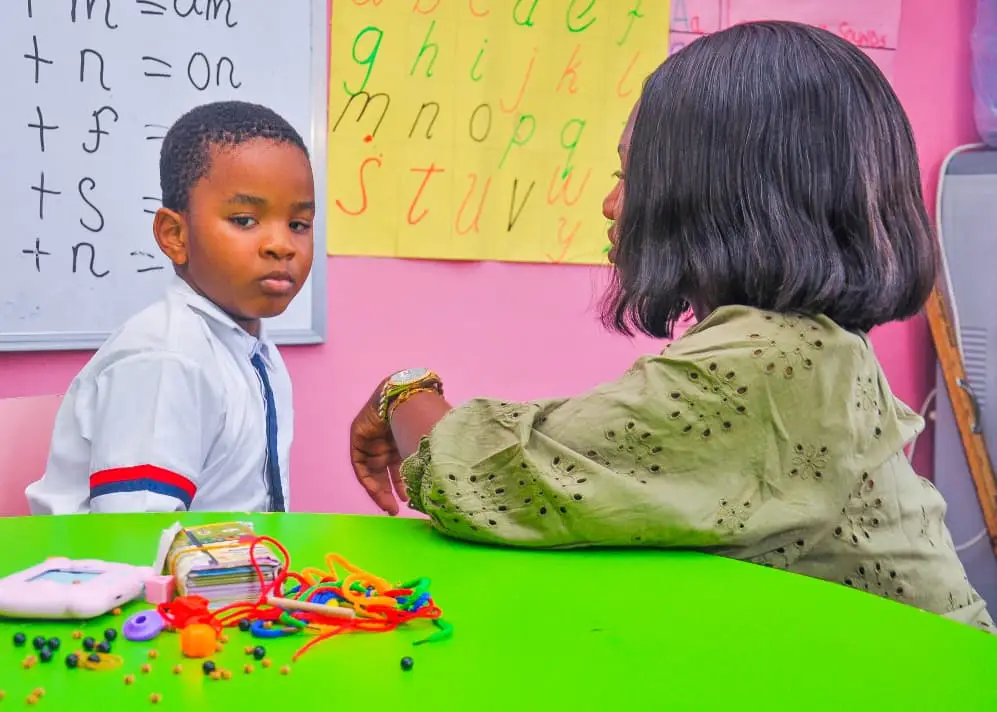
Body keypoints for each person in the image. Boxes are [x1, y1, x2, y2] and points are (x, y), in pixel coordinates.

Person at [349, 22, 994, 632]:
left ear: (720, 193)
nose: (611, 204)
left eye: (628, 176)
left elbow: (485, 472)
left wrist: (403, 392)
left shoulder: (773, 363)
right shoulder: (814, 347)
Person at [26, 100, 315, 514]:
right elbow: (137, 534)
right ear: (175, 235)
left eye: (298, 224)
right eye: (244, 220)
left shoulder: (252, 351)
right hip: (124, 557)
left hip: (225, 557)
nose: (281, 245)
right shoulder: (167, 357)